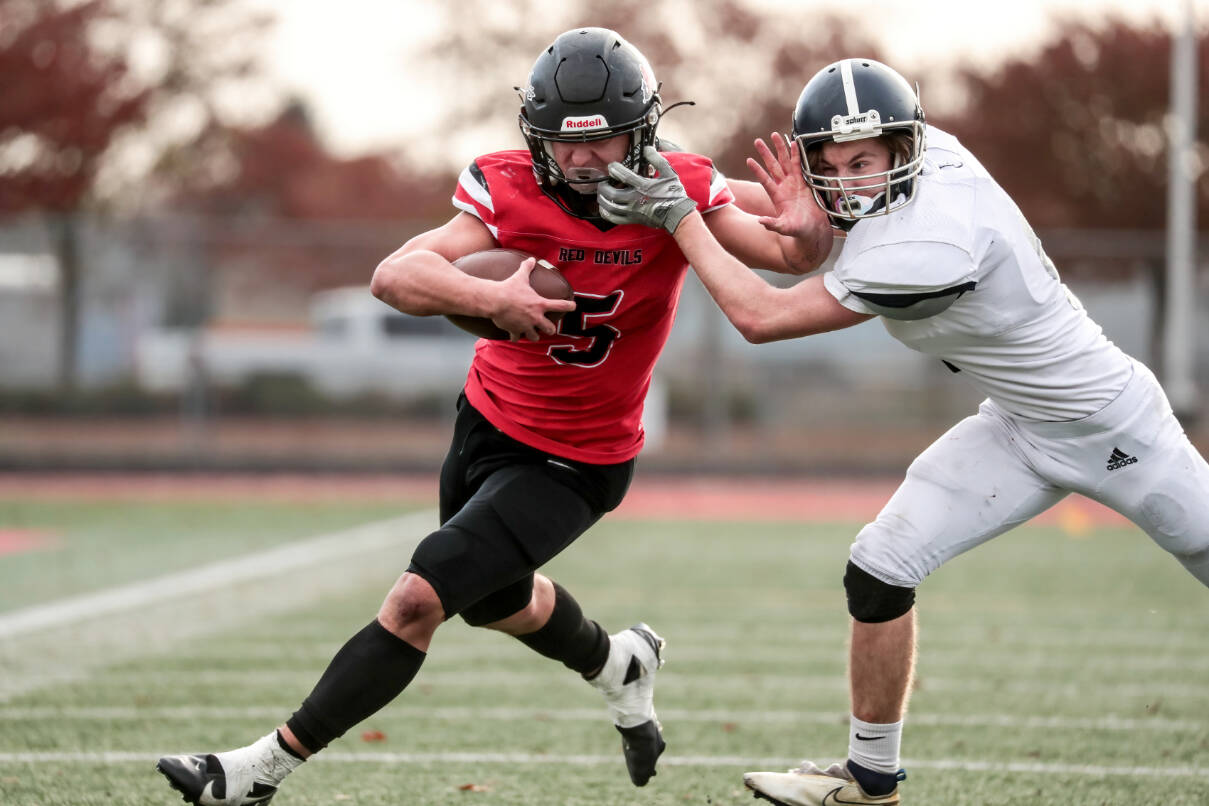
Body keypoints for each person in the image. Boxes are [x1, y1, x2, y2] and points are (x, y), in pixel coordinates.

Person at [155, 27, 829, 806]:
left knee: (417, 599)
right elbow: (394, 276)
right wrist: (490, 297)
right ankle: (618, 663)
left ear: (640, 132)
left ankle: (253, 773)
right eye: (561, 145)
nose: (579, 162)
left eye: (601, 142)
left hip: (580, 456)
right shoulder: (508, 186)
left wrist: (802, 218)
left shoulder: (677, 187)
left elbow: (788, 257)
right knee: (495, 602)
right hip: (486, 422)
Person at [598, 57, 1209, 806]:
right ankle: (870, 779)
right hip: (1019, 426)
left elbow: (760, 315)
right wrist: (719, 196)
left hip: (1113, 427)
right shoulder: (923, 157)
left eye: (864, 162)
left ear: (900, 147)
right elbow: (826, 221)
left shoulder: (927, 247)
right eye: (831, 166)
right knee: (879, 567)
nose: (851, 179)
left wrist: (680, 214)